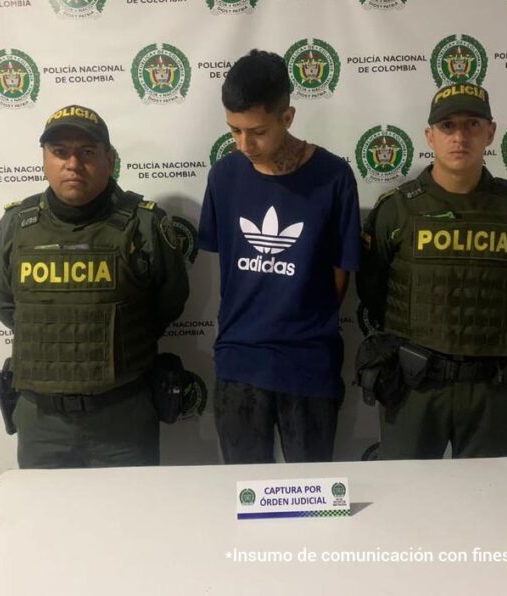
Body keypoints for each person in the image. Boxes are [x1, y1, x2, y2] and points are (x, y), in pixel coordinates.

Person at [0, 104, 189, 469]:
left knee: (127, 524)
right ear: (44, 160)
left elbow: (169, 303)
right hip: (42, 423)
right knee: (47, 523)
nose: (73, 164)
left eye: (87, 152)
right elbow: (4, 302)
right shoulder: (16, 225)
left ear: (110, 160)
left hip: (122, 419)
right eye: (60, 152)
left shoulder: (144, 225)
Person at [357, 83, 507, 459]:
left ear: (491, 132)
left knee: (486, 503)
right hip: (413, 385)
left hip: (490, 387)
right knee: (405, 497)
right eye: (447, 126)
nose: (459, 137)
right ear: (430, 135)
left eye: (472, 125)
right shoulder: (397, 209)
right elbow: (372, 288)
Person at [198, 50, 361, 464]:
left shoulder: (334, 177)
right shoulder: (224, 176)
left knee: (311, 499)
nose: (244, 145)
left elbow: (340, 275)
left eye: (257, 131)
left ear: (287, 118)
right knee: (242, 495)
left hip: (308, 362)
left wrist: (303, 322)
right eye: (234, 131)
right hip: (239, 361)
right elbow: (226, 269)